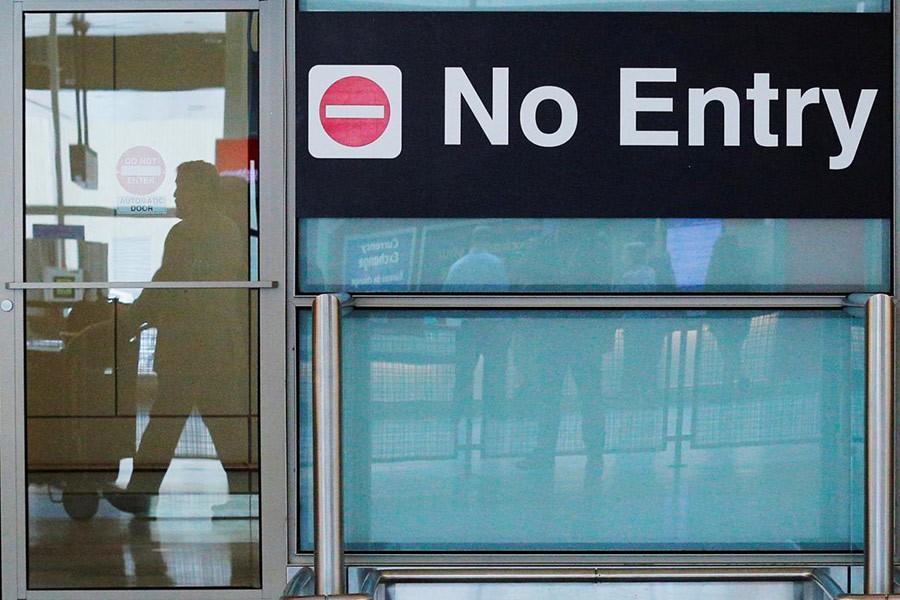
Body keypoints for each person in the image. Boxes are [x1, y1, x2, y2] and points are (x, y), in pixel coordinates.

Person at [105, 160, 251, 515]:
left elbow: (167, 283)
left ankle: (142, 494)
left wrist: (133, 317)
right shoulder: (226, 232)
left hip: (192, 348)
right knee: (217, 428)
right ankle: (248, 496)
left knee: (168, 425)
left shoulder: (190, 233)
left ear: (198, 191)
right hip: (215, 348)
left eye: (180, 187)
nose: (174, 194)